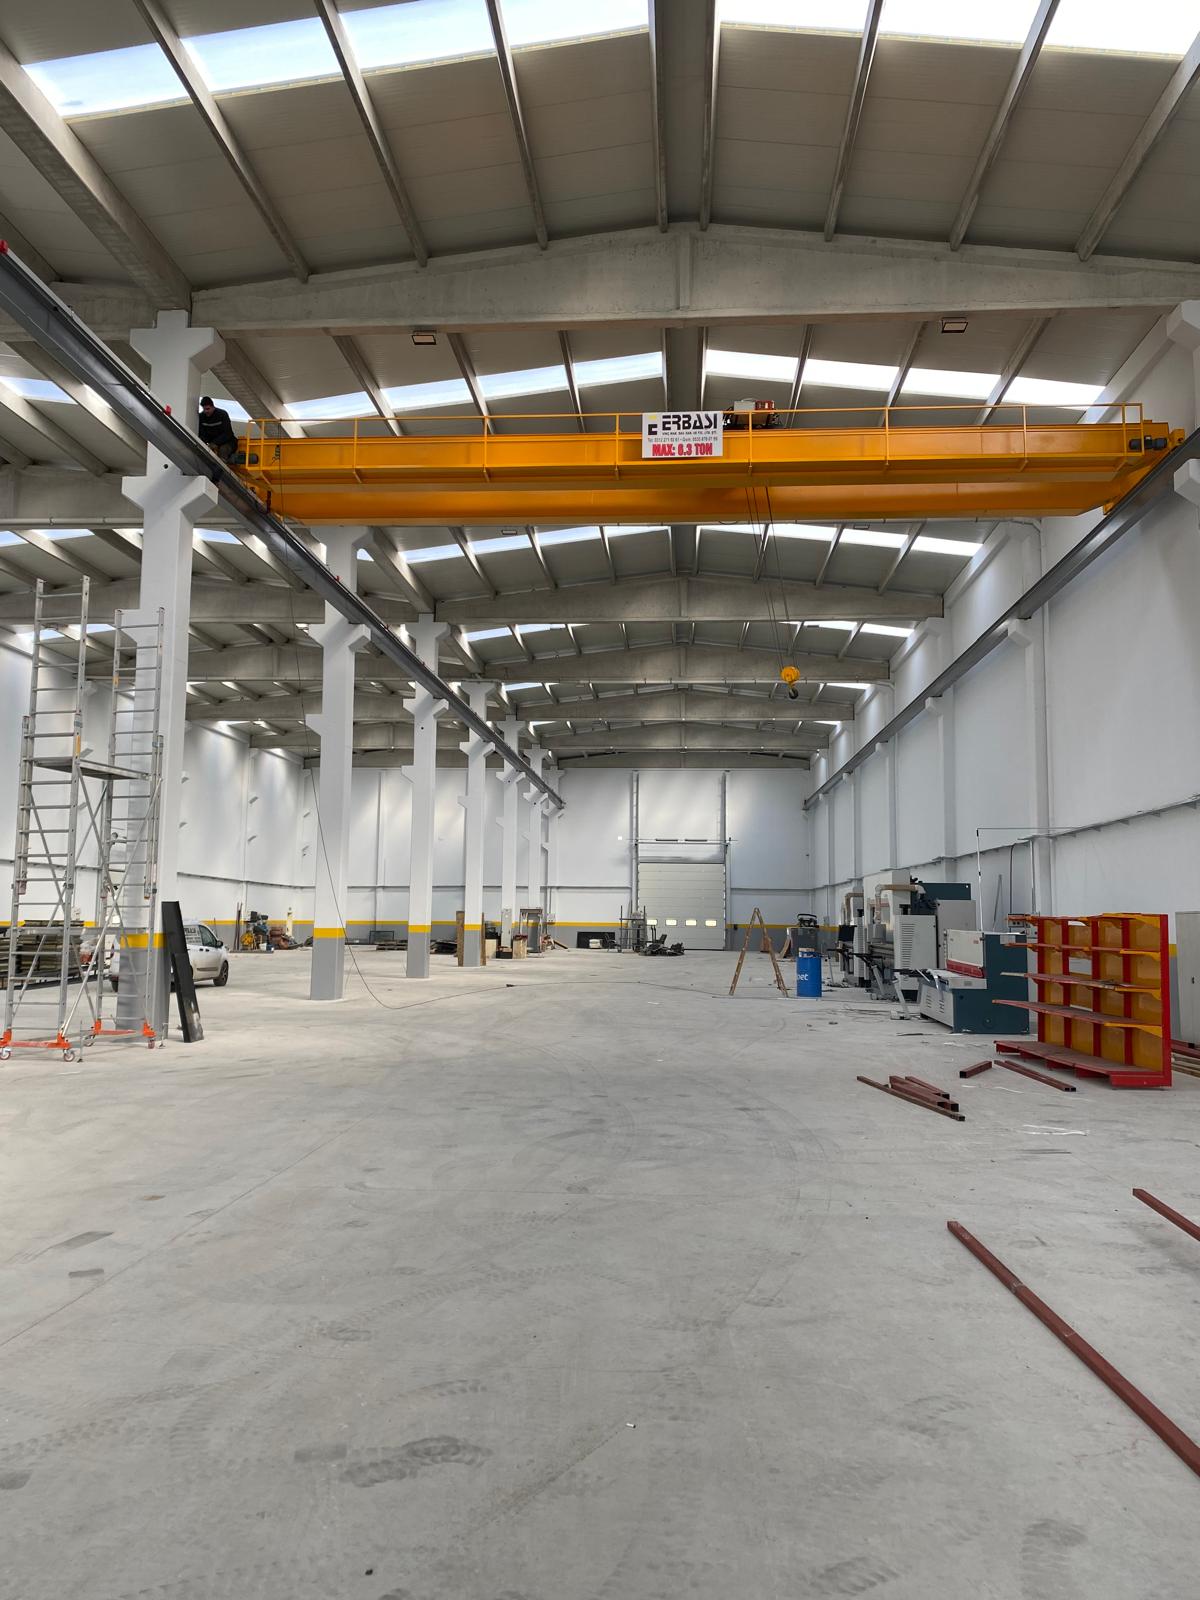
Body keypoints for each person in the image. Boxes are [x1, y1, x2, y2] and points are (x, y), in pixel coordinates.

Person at [198, 396, 239, 462]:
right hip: (211, 443)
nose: (206, 411)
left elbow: (228, 433)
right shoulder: (201, 416)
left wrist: (215, 443)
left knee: (223, 450)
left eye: (208, 409)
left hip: (228, 442)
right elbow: (202, 433)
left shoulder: (222, 414)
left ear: (213, 407)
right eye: (204, 409)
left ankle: (223, 464)